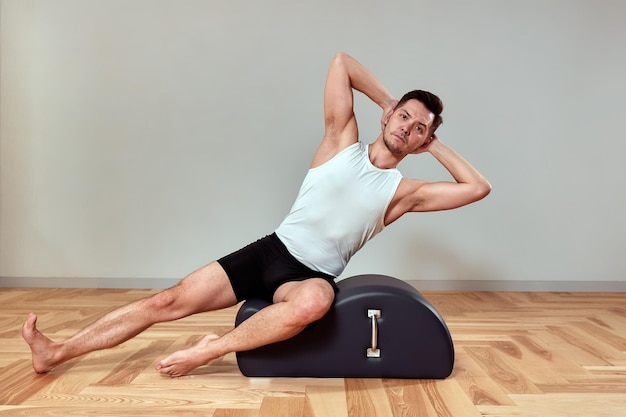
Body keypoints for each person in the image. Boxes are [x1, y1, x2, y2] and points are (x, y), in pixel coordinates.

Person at [22, 52, 491, 377]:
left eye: (419, 129)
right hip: (271, 251)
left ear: (421, 141)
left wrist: (436, 143)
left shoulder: (404, 192)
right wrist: (388, 99)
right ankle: (56, 352)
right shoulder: (340, 141)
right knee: (164, 303)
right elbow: (342, 63)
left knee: (314, 303)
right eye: (405, 117)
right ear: (388, 117)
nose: (407, 128)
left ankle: (211, 350)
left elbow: (477, 188)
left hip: (310, 274)